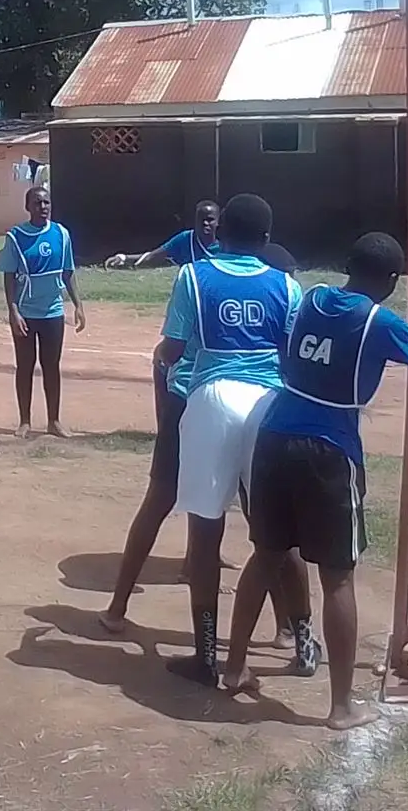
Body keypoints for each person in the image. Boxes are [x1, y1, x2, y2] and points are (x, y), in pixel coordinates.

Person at [223, 232, 408, 730]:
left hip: (273, 436)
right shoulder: (380, 321)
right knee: (338, 576)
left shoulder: (310, 299)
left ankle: (236, 666)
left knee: (266, 556)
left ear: (347, 266)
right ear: (392, 281)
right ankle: (340, 707)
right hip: (329, 452)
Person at [158, 193, 303, 688]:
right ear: (266, 239)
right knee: (278, 533)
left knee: (205, 532)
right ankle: (303, 642)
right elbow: (294, 356)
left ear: (219, 234)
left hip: (214, 399)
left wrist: (163, 355)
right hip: (270, 404)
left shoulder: (192, 277)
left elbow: (174, 347)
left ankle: (205, 655)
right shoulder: (287, 285)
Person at [0, 186, 85, 438]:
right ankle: (24, 421)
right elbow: (9, 276)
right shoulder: (16, 237)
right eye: (37, 203)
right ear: (28, 207)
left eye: (46, 202)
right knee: (25, 366)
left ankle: (54, 421)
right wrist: (13, 310)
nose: (43, 207)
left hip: (53, 313)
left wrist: (78, 304)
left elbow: (68, 272)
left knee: (51, 366)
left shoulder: (61, 234)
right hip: (25, 313)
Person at [104, 201, 219, 270]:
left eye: (210, 220)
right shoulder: (185, 239)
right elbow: (153, 257)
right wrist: (123, 259)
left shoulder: (226, 243)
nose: (205, 223)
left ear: (218, 221)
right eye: (201, 219)